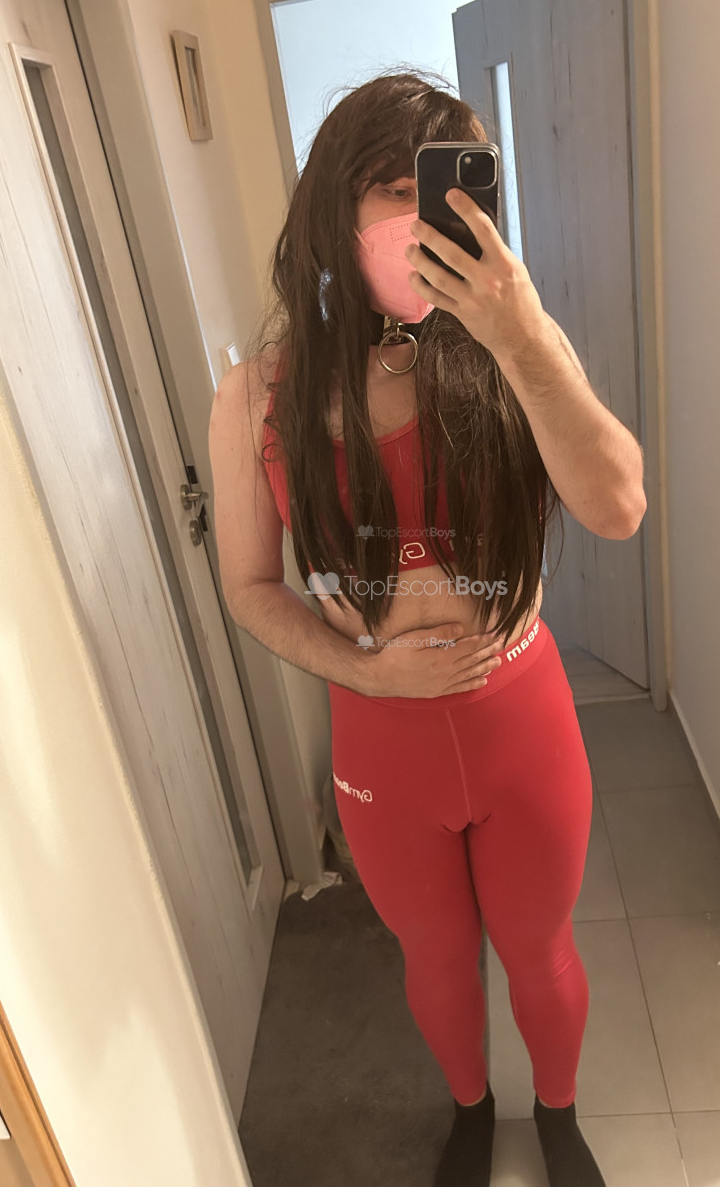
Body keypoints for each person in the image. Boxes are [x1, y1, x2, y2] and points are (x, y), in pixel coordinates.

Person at [210, 68, 645, 1187]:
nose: (420, 216)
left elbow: (618, 506)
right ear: (334, 207)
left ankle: (558, 1117)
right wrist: (365, 674)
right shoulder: (259, 398)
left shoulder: (515, 350)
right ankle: (469, 1112)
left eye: (445, 189)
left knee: (539, 950)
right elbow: (249, 587)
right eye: (392, 190)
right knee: (438, 962)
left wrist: (520, 332)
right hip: (381, 742)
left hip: (520, 718)